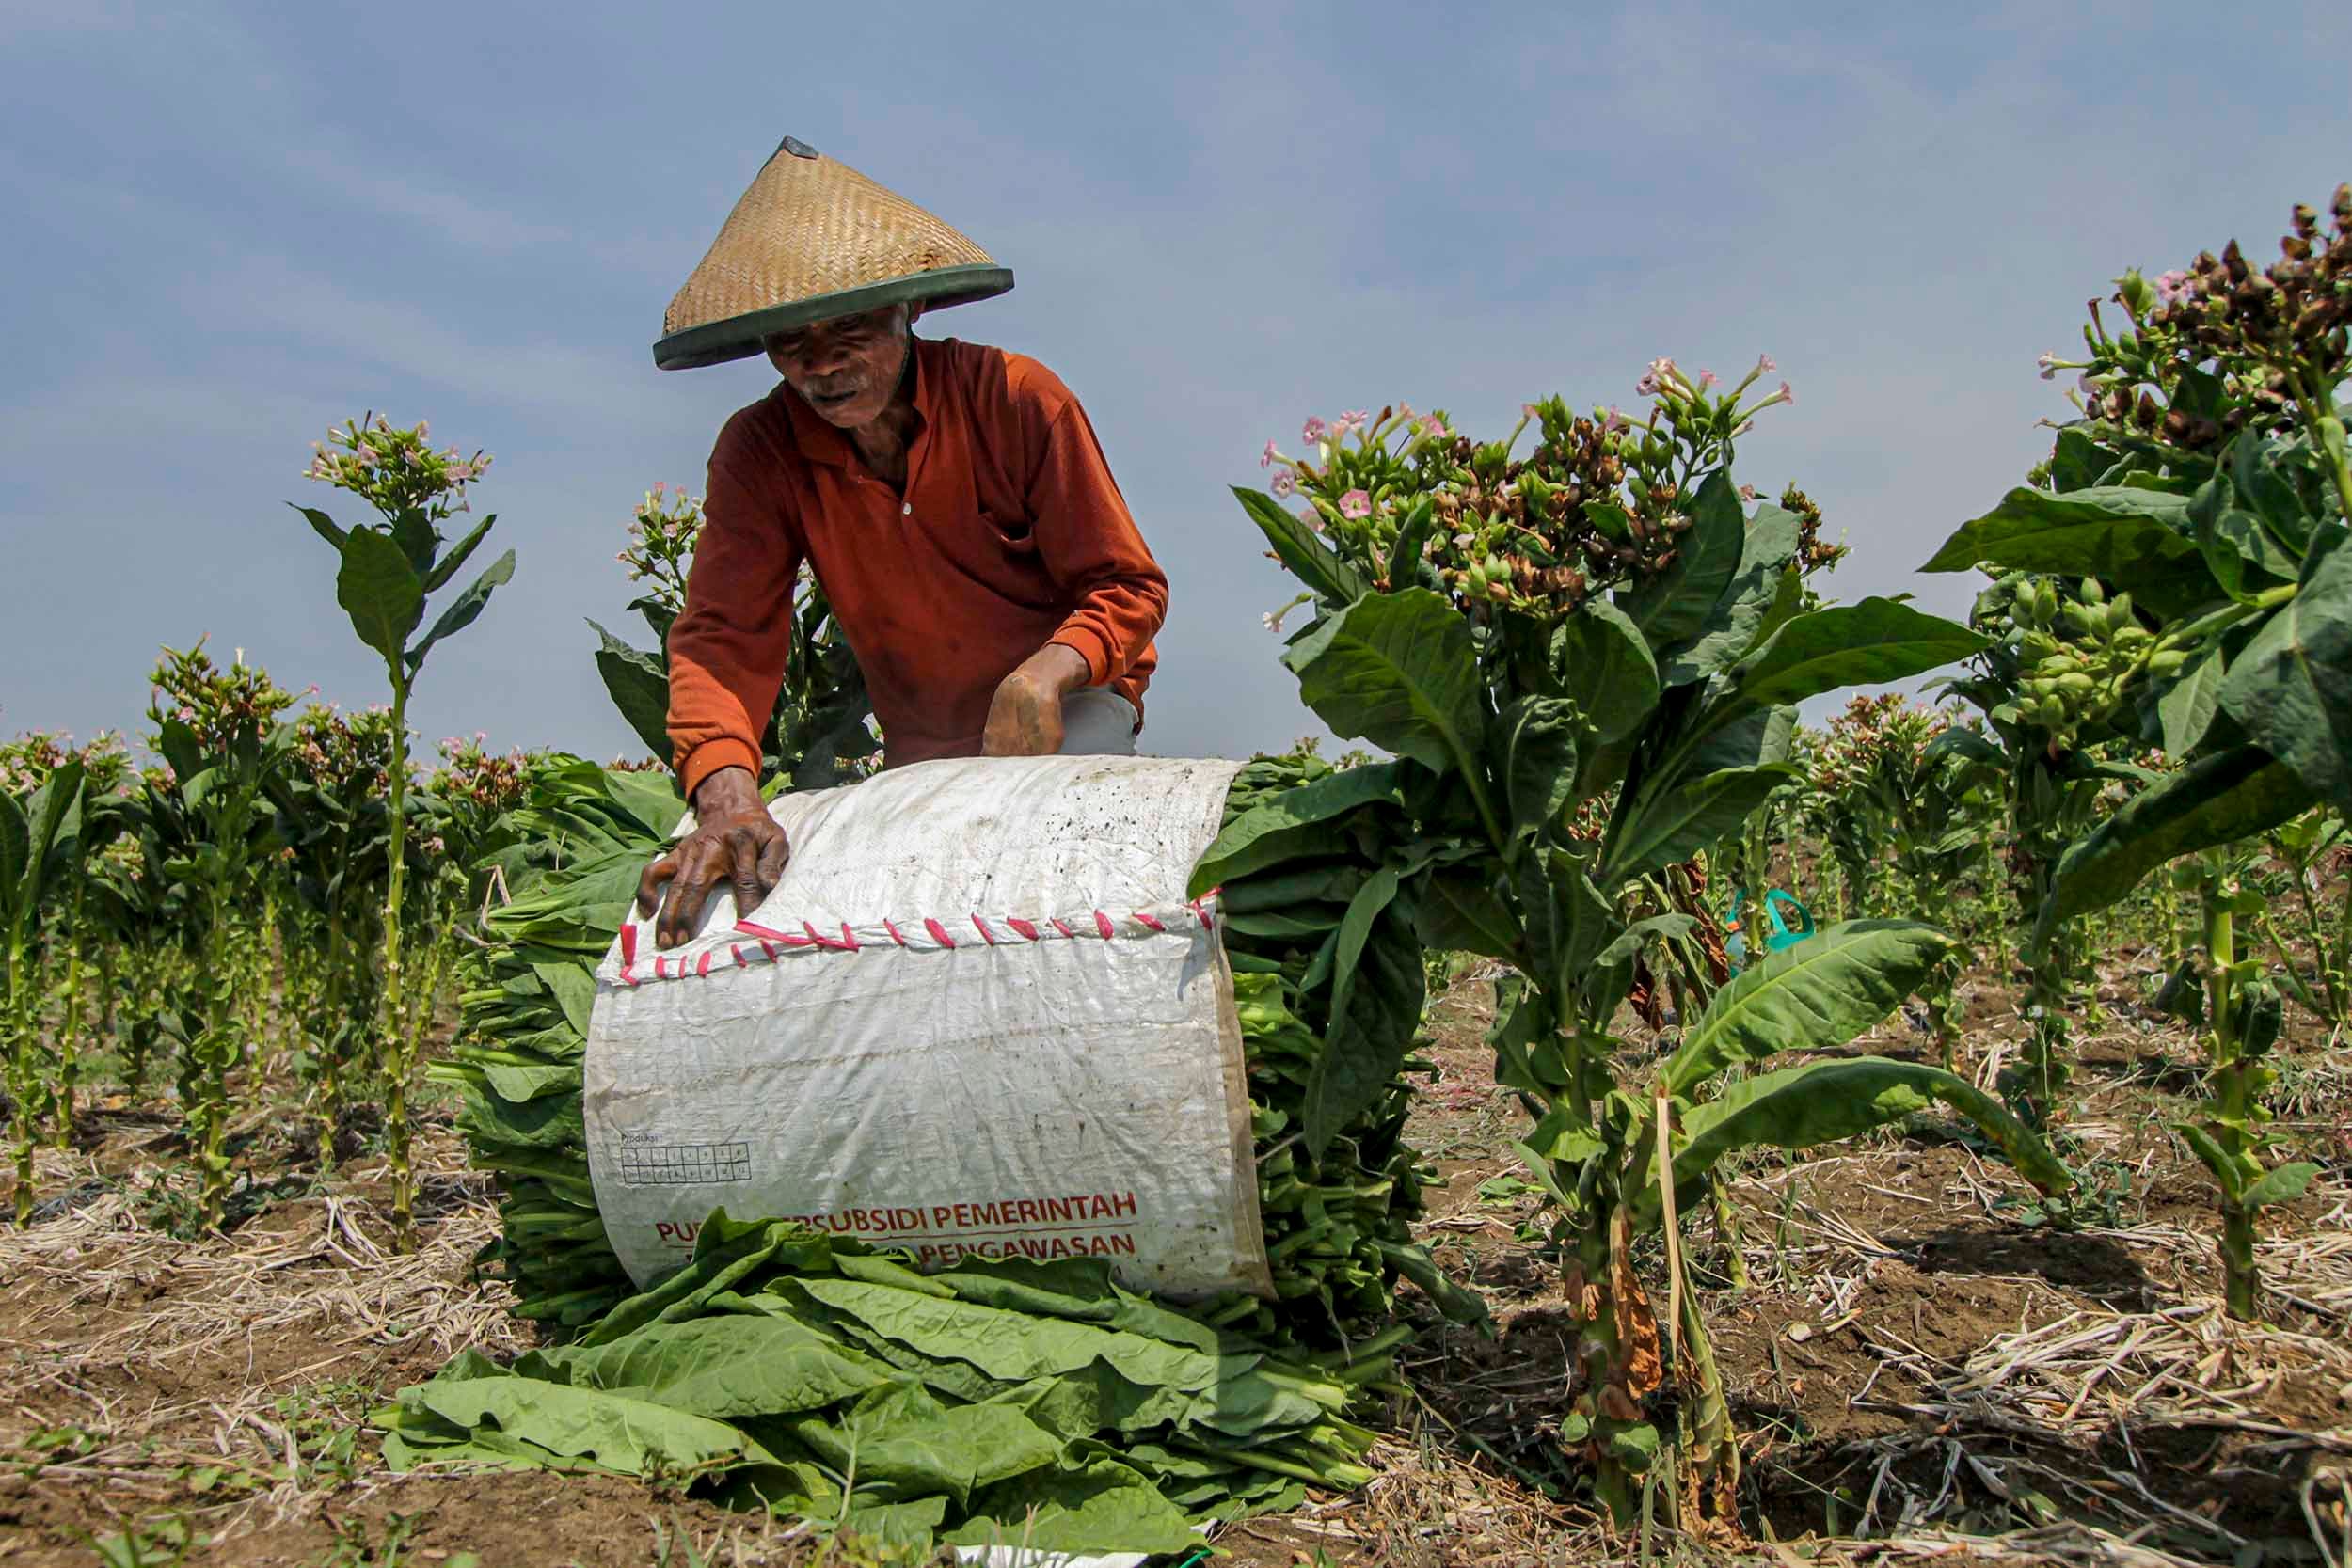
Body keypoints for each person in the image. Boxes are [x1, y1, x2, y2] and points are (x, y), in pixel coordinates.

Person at [631, 136, 1168, 948]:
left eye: (849, 328)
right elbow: (721, 637)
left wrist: (1043, 676)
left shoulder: (1018, 399)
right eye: (790, 343)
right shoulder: (761, 452)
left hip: (1067, 711)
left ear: (910, 308)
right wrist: (724, 786)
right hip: (918, 745)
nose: (821, 368)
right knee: (911, 943)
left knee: (1064, 913)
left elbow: (1128, 588)